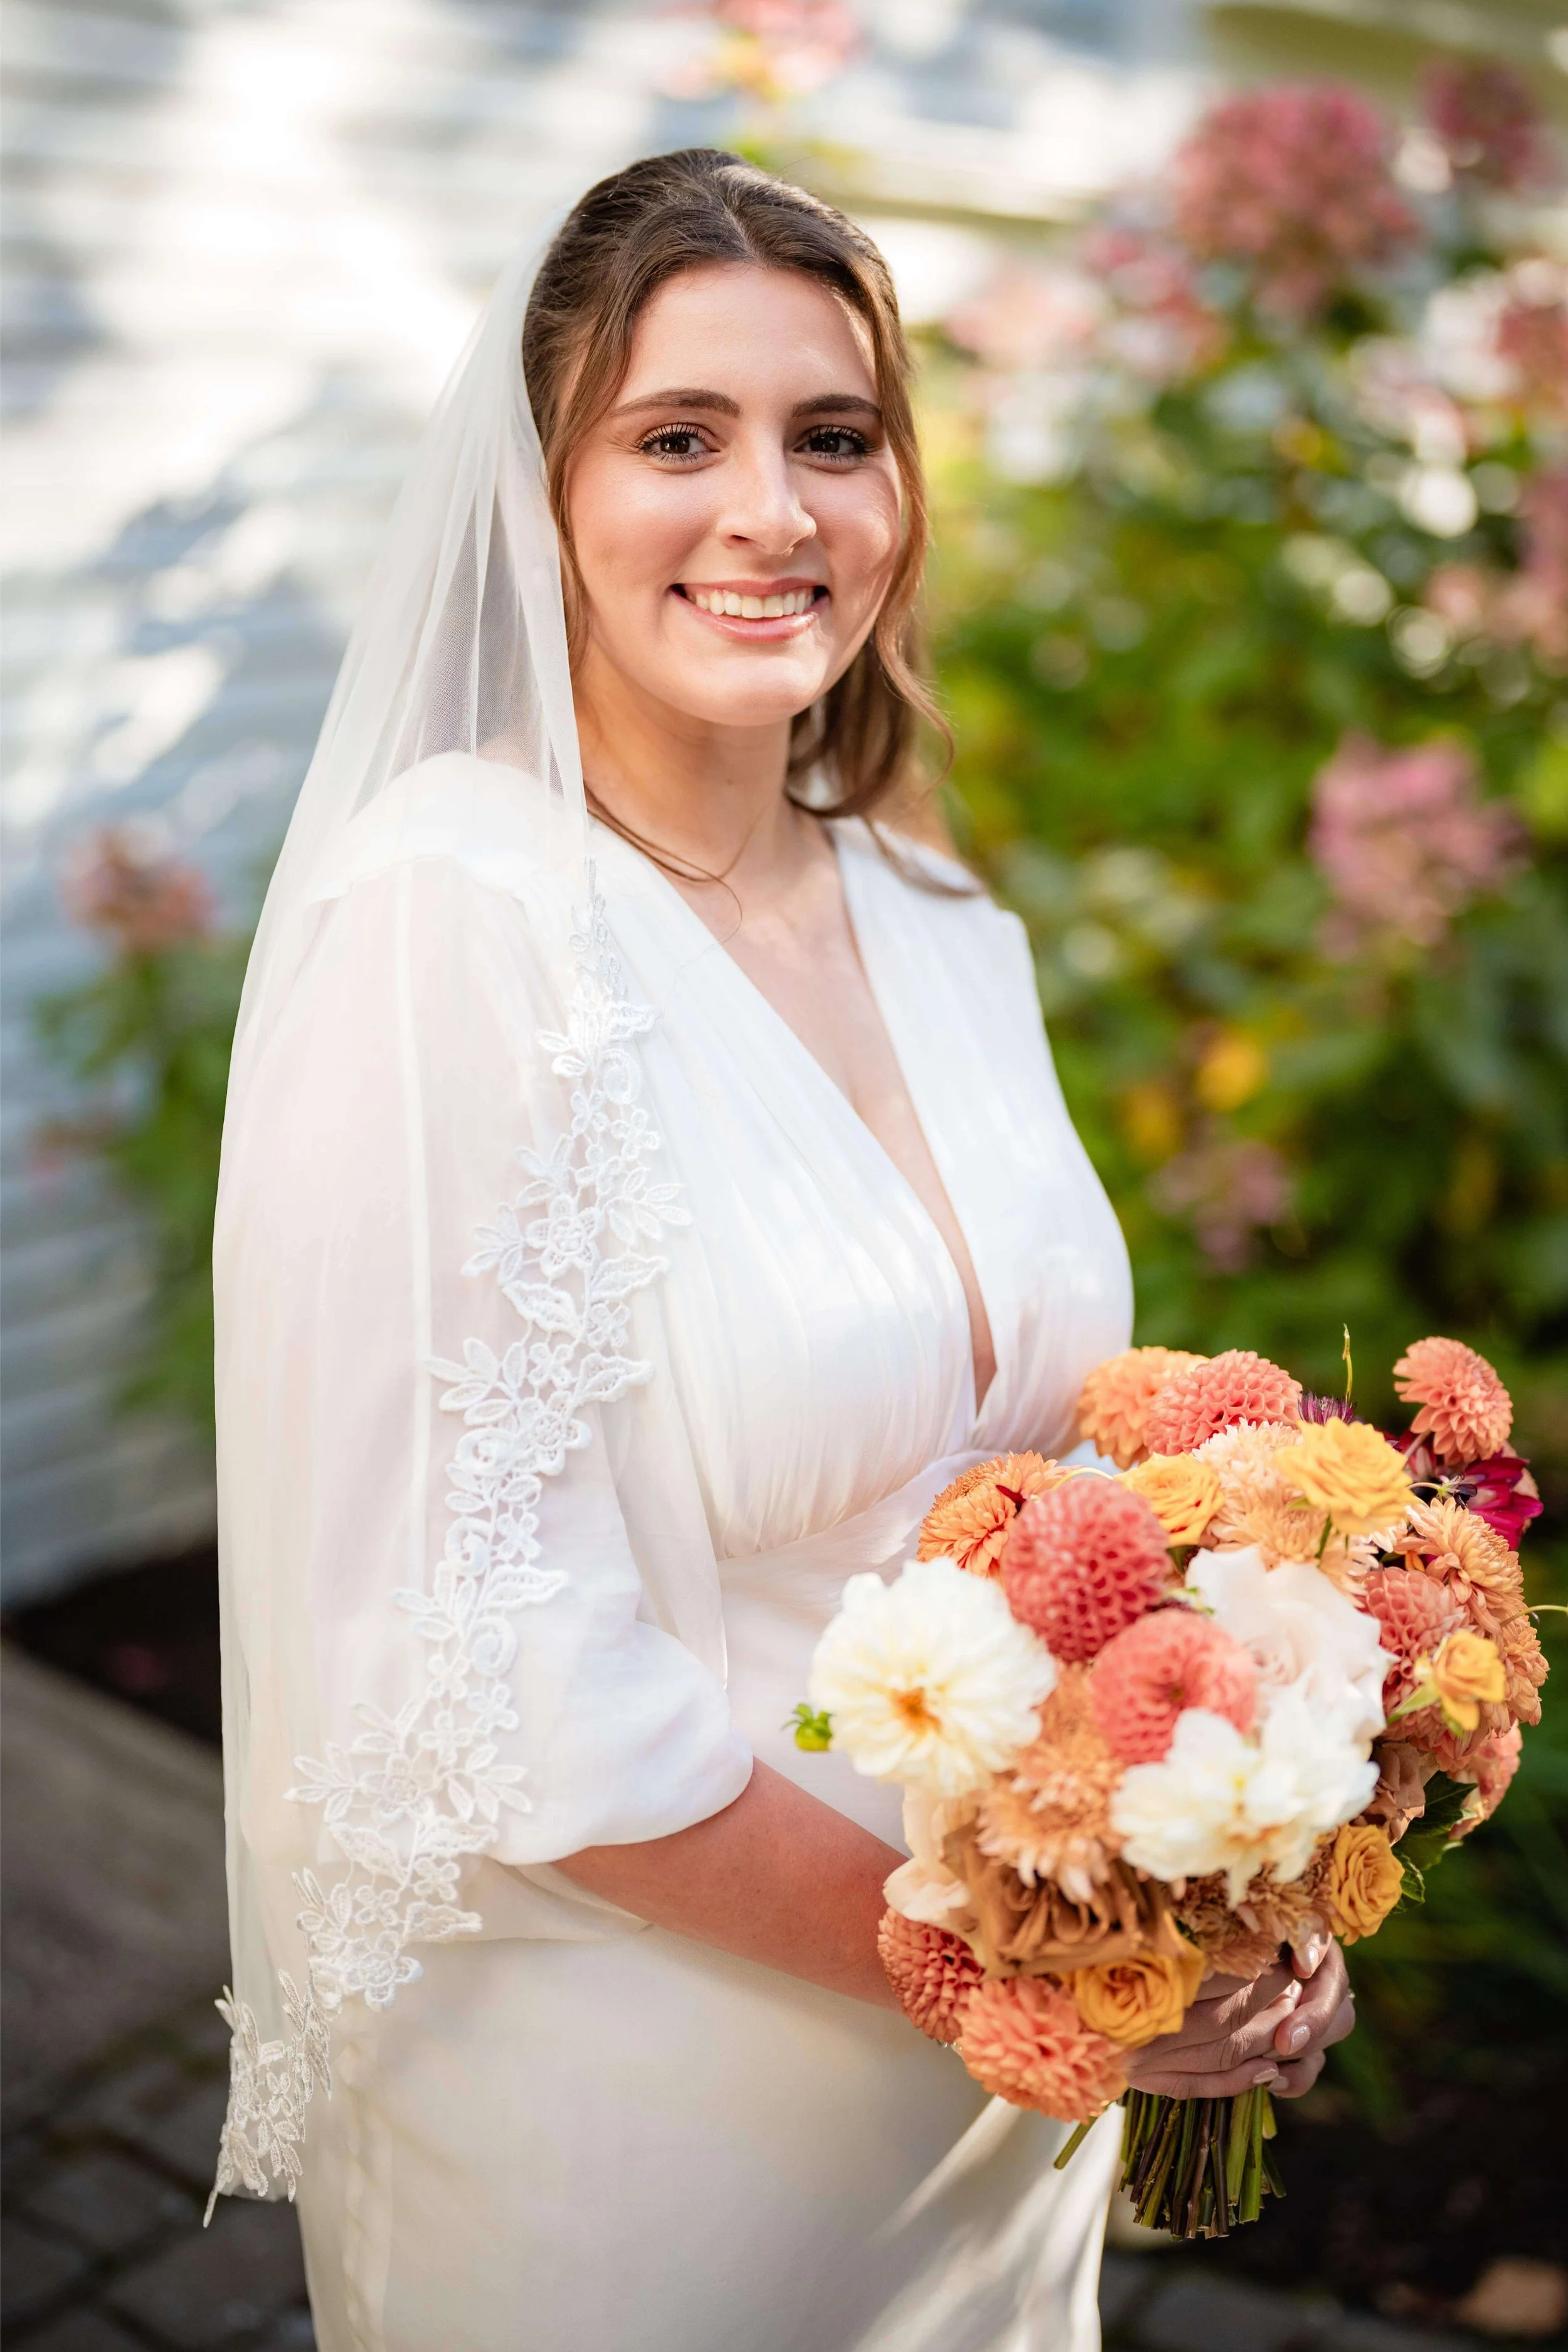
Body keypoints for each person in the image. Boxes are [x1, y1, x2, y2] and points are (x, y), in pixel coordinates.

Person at [209, 151, 1352, 2352]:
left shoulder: (935, 914)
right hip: (650, 2090)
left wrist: (1231, 1836)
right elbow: (460, 1660)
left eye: (833, 437)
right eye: (674, 438)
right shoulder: (458, 921)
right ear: (538, 496)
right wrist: (1016, 1965)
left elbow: (1037, 1449)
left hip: (996, 2090)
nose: (773, 512)